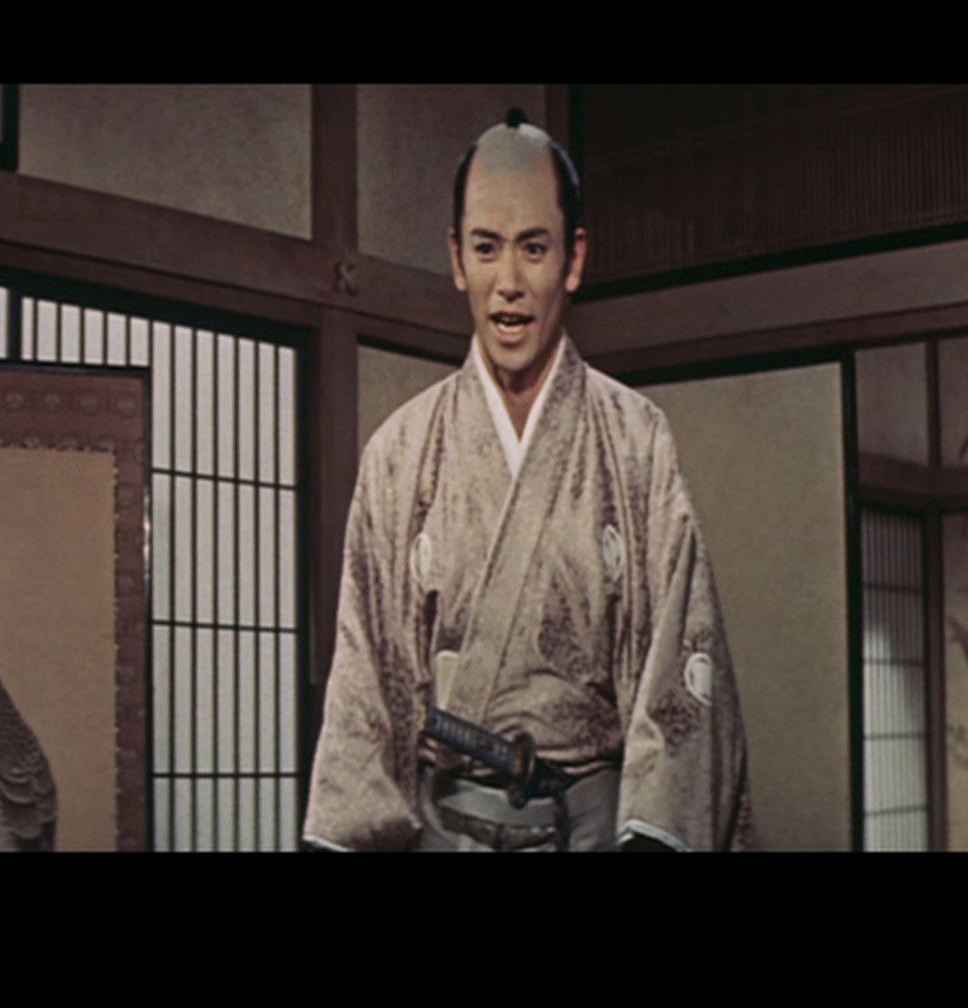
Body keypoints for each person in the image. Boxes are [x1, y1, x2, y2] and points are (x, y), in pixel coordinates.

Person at [301, 110, 753, 852]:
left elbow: (682, 671)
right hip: (446, 833)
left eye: (534, 249)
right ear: (457, 258)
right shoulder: (400, 453)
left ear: (573, 259)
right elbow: (363, 688)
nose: (508, 284)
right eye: (486, 248)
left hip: (595, 833)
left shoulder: (634, 440)